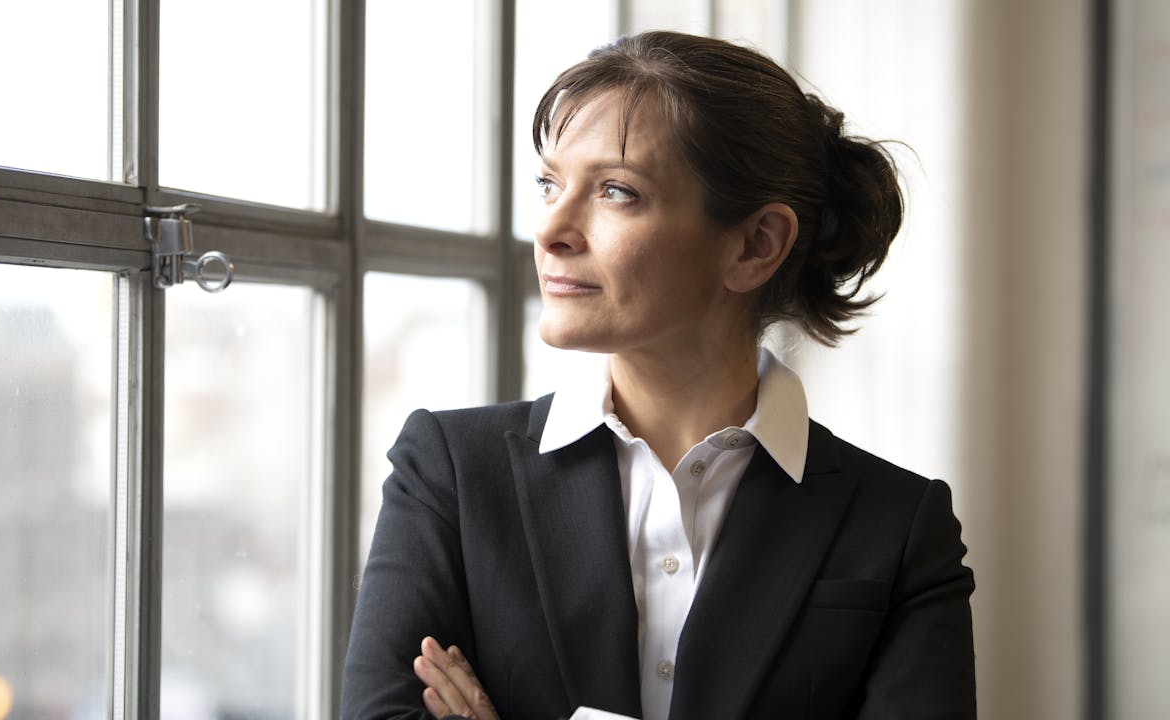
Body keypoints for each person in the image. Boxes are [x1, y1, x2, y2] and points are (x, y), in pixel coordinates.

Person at [341, 30, 976, 720]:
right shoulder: (449, 473)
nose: (550, 230)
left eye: (616, 191)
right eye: (550, 184)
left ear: (756, 244)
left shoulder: (898, 527)